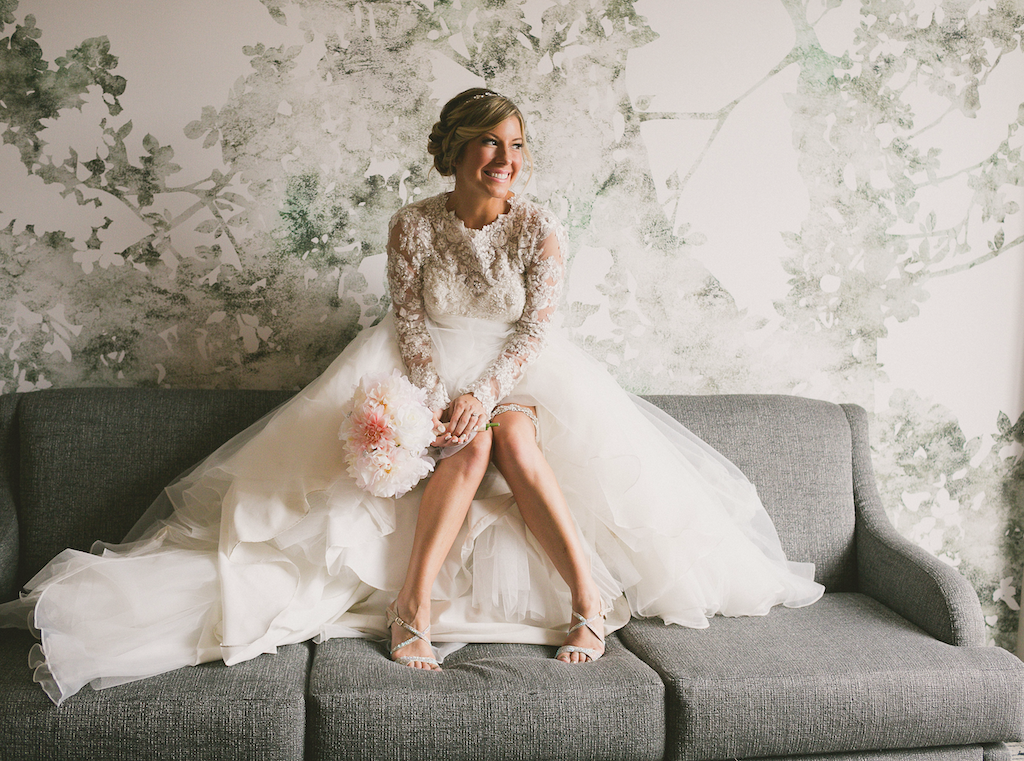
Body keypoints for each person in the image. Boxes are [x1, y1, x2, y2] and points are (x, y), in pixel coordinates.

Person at [0, 88, 823, 703]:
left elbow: (535, 329)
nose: (506, 159)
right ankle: (416, 608)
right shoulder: (414, 223)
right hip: (422, 365)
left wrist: (486, 389)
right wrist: (435, 396)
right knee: (473, 444)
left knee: (516, 435)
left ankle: (582, 604)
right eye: (491, 144)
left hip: (522, 369)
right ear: (456, 150)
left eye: (518, 146)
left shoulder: (539, 230)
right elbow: (409, 319)